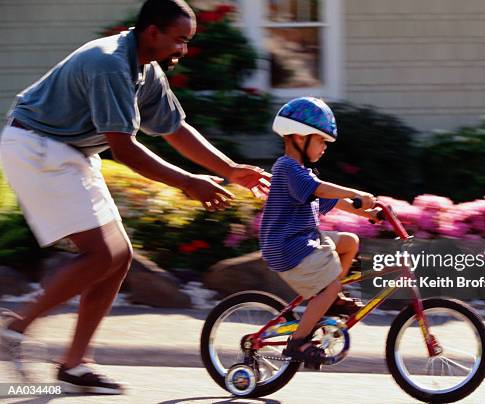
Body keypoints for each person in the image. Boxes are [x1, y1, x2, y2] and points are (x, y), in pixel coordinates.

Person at [0, 0, 269, 394]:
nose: (184, 49)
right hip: (37, 146)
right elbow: (124, 149)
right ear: (152, 32)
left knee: (118, 257)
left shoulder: (146, 70)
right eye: (179, 40)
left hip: (69, 150)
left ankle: (74, 365)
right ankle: (15, 329)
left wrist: (228, 170)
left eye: (188, 41)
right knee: (100, 254)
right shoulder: (109, 63)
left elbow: (175, 129)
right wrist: (189, 183)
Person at [259, 97, 380, 368]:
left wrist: (369, 213)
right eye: (321, 141)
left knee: (349, 242)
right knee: (332, 284)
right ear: (299, 138)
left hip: (303, 240)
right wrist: (356, 192)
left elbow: (333, 201)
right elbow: (322, 190)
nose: (325, 147)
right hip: (287, 246)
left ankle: (329, 299)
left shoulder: (304, 173)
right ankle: (298, 342)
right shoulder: (286, 168)